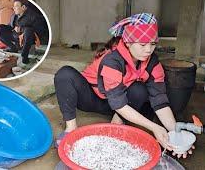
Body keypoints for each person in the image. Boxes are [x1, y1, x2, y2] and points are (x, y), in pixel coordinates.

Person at [54, 13, 194, 158]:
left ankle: (117, 122)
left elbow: (159, 101)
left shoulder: (152, 63)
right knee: (65, 74)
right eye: (142, 44)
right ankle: (70, 129)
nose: (148, 50)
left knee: (139, 90)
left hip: (119, 104)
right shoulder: (112, 61)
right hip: (93, 98)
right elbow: (118, 103)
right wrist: (155, 128)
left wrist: (175, 135)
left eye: (152, 44)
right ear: (128, 42)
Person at [0, 0, 49, 64]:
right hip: (15, 37)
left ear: (23, 7)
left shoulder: (33, 16)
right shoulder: (14, 15)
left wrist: (22, 29)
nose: (13, 8)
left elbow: (40, 31)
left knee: (28, 30)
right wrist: (1, 27)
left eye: (16, 6)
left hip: (27, 39)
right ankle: (13, 48)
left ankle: (24, 55)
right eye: (13, 6)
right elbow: (10, 27)